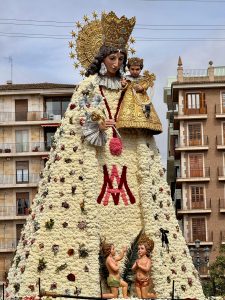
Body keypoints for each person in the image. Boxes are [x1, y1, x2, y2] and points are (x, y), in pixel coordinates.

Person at [5, 11, 205, 300]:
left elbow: (143, 117)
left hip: (128, 156)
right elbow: (77, 120)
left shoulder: (128, 87)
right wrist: (97, 123)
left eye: (121, 59)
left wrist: (140, 104)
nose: (117, 64)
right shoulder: (88, 87)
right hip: (95, 157)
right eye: (113, 59)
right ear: (101, 59)